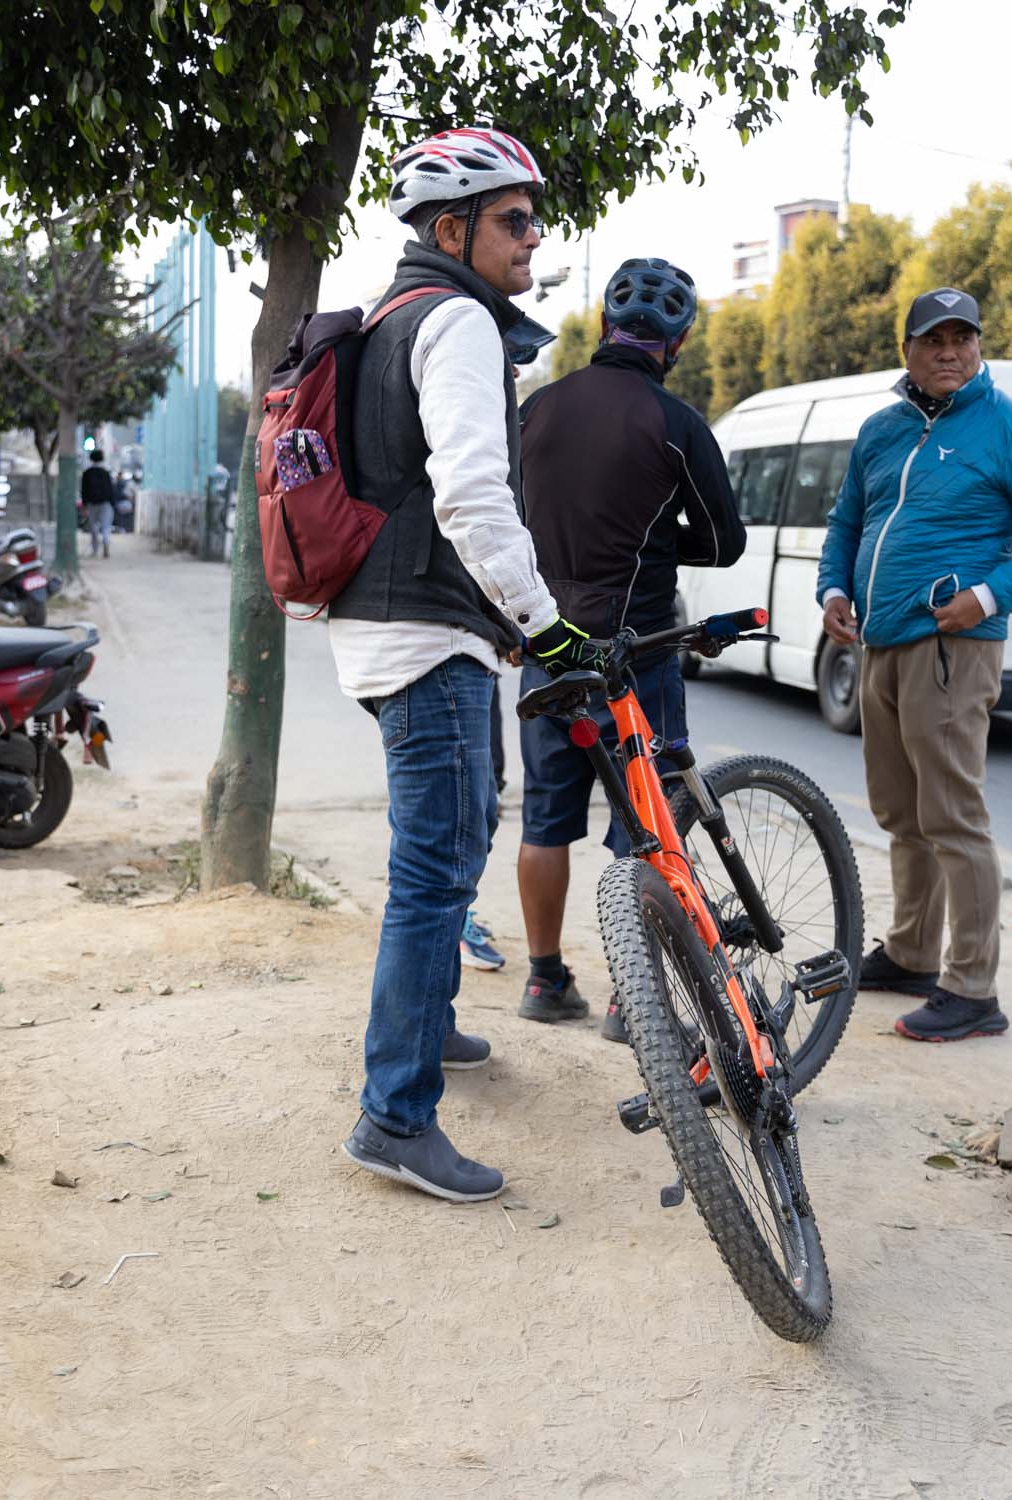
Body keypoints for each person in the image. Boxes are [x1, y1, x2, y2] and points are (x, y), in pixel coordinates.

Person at [331, 126, 595, 1204]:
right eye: (514, 219)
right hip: (427, 635)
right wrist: (546, 622)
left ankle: (429, 1026)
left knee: (463, 829)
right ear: (453, 230)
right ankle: (395, 1118)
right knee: (435, 873)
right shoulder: (457, 322)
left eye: (534, 218)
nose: (533, 237)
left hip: (402, 627)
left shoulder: (392, 314)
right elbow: (473, 494)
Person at [816, 288, 1012, 1041]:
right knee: (901, 813)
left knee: (952, 817)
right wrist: (834, 588)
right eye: (932, 340)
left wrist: (987, 595)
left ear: (977, 345)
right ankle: (912, 954)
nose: (948, 352)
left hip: (952, 646)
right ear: (906, 350)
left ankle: (973, 989)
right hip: (880, 641)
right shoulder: (882, 429)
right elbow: (848, 521)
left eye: (961, 338)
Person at [511, 257, 747, 1040]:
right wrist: (660, 542)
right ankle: (631, 1000)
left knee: (544, 822)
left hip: (548, 651)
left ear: (606, 326)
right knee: (647, 828)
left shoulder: (536, 409)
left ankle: (544, 980)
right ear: (678, 341)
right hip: (635, 657)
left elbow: (506, 520)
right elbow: (723, 543)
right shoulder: (677, 424)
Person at [82, 449, 116, 558]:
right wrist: (112, 503)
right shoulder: (106, 472)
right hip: (105, 503)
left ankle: (95, 549)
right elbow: (110, 489)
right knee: (106, 526)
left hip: (92, 504)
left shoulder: (87, 473)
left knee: (93, 527)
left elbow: (84, 490)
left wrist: (84, 505)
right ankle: (106, 541)